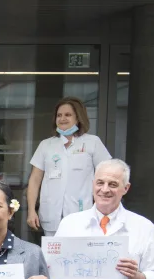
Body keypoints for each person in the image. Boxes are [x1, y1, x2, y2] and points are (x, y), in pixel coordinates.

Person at [26, 96, 112, 236]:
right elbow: (35, 179)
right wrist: (31, 211)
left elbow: (107, 175)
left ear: (78, 118)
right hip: (51, 215)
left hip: (81, 214)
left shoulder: (92, 142)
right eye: (59, 115)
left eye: (68, 115)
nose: (62, 119)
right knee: (52, 256)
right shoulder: (46, 145)